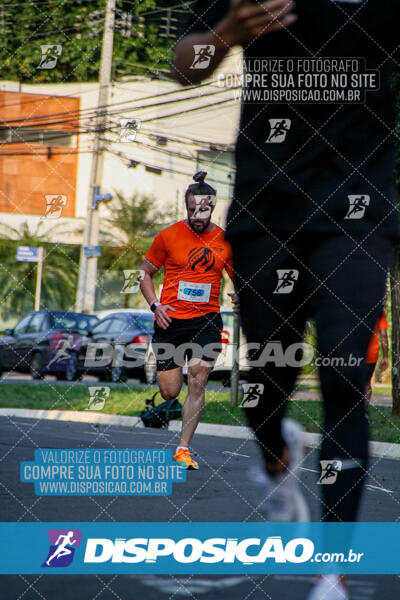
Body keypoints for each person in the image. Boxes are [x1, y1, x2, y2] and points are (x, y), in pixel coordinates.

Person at [174, 1, 400, 598]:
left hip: (360, 209)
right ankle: (277, 451)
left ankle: (334, 573)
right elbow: (186, 65)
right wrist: (226, 34)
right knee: (268, 366)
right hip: (266, 207)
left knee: (347, 373)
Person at [139, 172, 238, 469]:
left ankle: (183, 448)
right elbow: (144, 274)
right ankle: (170, 407)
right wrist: (155, 305)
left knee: (198, 379)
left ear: (212, 207)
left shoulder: (225, 241)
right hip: (170, 322)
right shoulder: (168, 236)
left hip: (206, 320)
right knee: (170, 391)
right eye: (191, 210)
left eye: (202, 211)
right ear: (186, 207)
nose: (197, 216)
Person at [365, 311, 389, 405]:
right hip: (371, 352)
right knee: (366, 383)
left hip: (353, 351)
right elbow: (383, 334)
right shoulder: (378, 308)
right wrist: (385, 356)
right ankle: (364, 412)